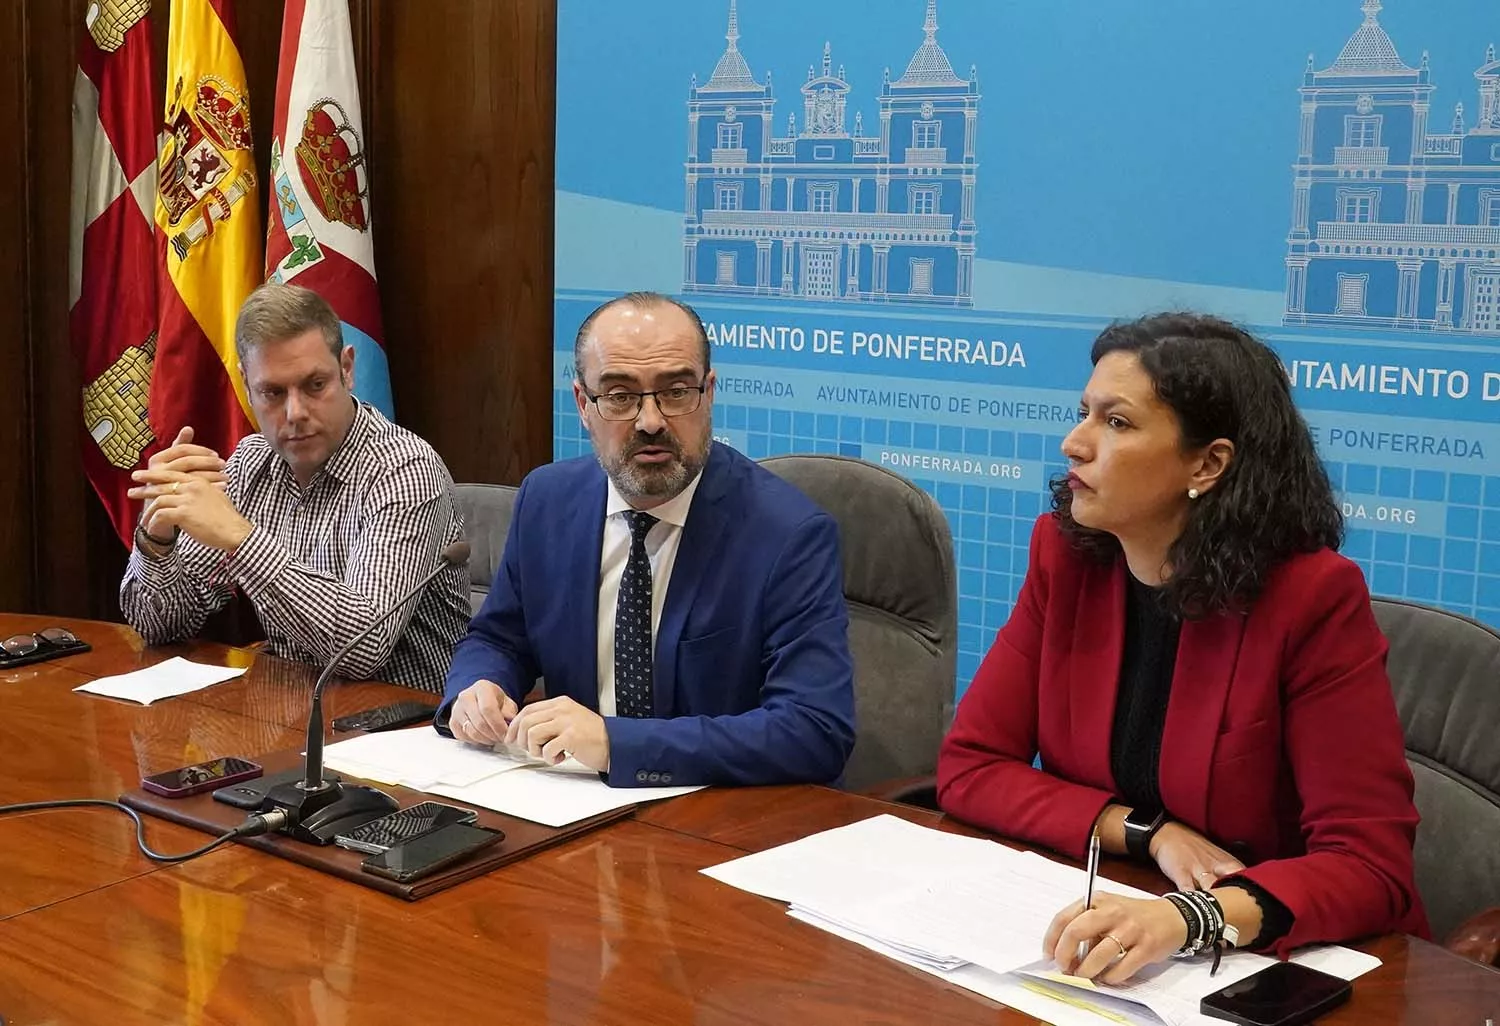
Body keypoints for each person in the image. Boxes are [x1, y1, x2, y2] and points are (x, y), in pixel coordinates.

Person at [936, 312, 1427, 982]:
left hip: (1281, 964)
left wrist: (1191, 917)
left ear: (1208, 463)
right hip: (1109, 923)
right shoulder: (1066, 559)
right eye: (1084, 414)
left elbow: (1370, 867)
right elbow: (971, 768)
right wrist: (1147, 832)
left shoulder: (1312, 599)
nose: (1073, 444)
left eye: (1116, 422)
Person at [440, 291, 855, 786]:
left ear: (709, 394)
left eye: (676, 392)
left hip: (718, 811)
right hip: (569, 800)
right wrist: (479, 686)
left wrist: (616, 743)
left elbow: (814, 729)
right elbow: (500, 638)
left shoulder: (787, 534)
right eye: (620, 396)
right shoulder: (547, 501)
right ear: (583, 405)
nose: (651, 421)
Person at [120, 282, 471, 694]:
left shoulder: (404, 469)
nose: (295, 412)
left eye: (315, 385)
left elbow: (363, 648)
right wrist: (158, 535)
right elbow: (157, 626)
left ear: (347, 369)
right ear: (246, 385)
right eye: (272, 392)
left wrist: (240, 539)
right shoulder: (251, 464)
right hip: (294, 707)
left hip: (406, 718)